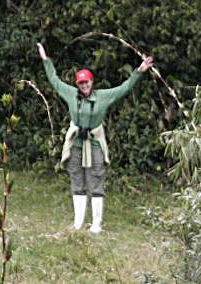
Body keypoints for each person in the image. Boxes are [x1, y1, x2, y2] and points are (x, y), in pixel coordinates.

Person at [37, 42, 153, 234]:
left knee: (96, 180)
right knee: (77, 179)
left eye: (87, 82)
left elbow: (124, 88)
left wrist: (139, 71)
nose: (84, 85)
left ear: (92, 82)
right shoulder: (70, 94)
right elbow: (54, 80)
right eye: (81, 82)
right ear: (77, 84)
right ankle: (78, 223)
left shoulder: (103, 96)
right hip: (76, 143)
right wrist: (45, 59)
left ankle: (97, 224)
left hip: (95, 143)